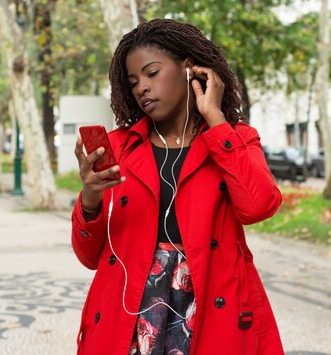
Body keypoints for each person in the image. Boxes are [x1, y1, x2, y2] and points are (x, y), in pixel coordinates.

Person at [72, 19, 284, 355]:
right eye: (133, 81)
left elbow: (258, 206)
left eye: (152, 73)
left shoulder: (235, 140)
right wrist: (91, 198)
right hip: (130, 314)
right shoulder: (121, 148)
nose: (142, 87)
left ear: (189, 69)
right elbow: (89, 256)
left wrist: (214, 117)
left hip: (213, 310)